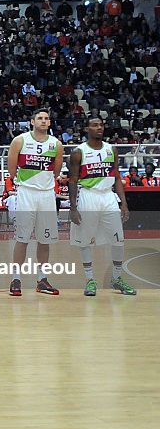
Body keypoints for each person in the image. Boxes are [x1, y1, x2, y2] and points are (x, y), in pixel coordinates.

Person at [69, 117, 136, 296]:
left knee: (118, 239)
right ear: (86, 128)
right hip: (88, 196)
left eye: (101, 125)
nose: (99, 128)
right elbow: (73, 181)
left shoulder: (111, 149)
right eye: (94, 125)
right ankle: (90, 280)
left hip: (108, 197)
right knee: (85, 240)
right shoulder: (78, 152)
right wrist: (73, 207)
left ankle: (116, 278)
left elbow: (116, 179)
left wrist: (124, 203)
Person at [6, 109, 63, 296]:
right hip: (26, 193)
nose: (44, 121)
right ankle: (16, 279)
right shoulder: (20, 141)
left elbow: (55, 172)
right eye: (40, 118)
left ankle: (42, 279)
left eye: (47, 118)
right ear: (32, 121)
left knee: (44, 239)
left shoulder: (56, 144)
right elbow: (12, 170)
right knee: (22, 238)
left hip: (46, 195)